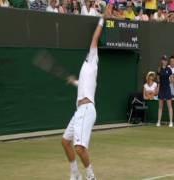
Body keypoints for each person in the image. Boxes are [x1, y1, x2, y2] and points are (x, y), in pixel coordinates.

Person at [62, 13, 108, 180]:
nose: (90, 51)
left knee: (80, 148)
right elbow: (81, 83)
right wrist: (73, 81)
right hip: (80, 110)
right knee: (65, 141)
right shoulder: (85, 70)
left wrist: (102, 19)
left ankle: (91, 177)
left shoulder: (92, 61)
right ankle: (75, 174)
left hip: (87, 109)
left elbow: (95, 38)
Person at [157, 55, 174, 127]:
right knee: (160, 106)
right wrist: (158, 85)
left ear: (167, 62)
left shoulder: (169, 70)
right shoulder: (159, 69)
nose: (165, 61)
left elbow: (172, 79)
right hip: (161, 89)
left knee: (169, 106)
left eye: (166, 60)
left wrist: (173, 79)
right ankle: (158, 122)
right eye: (163, 60)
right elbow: (158, 78)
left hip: (167, 89)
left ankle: (171, 122)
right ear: (162, 61)